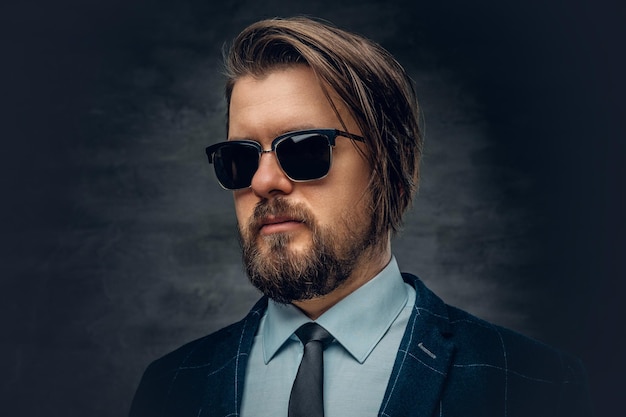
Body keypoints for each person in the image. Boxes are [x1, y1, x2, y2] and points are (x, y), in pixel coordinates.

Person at [129, 16, 593, 417]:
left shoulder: (538, 385)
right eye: (240, 158)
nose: (264, 181)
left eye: (305, 150)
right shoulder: (169, 387)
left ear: (391, 169)